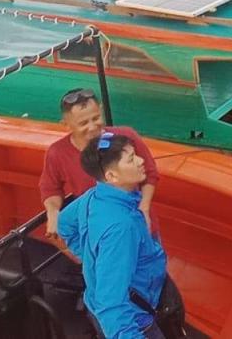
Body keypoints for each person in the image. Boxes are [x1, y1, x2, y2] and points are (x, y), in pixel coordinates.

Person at [58, 133, 185, 338]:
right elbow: (111, 306)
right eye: (131, 159)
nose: (141, 161)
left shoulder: (93, 196)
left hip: (115, 299)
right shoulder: (121, 228)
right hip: (136, 318)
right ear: (111, 176)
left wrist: (91, 259)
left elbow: (63, 223)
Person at [41, 88, 160, 239]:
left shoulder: (127, 136)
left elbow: (150, 173)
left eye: (96, 118)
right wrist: (53, 214)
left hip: (137, 221)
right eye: (83, 123)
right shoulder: (57, 153)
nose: (92, 127)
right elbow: (50, 189)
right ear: (66, 124)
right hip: (97, 229)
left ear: (101, 110)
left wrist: (144, 208)